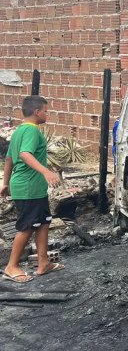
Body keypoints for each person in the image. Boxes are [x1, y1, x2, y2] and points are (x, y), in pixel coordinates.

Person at [1, 96, 63, 283]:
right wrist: (46, 171)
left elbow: (10, 159)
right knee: (27, 227)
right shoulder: (32, 131)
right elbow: (24, 154)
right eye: (46, 111)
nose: (47, 114)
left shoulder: (19, 130)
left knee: (43, 222)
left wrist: (5, 182)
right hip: (28, 187)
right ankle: (11, 266)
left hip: (33, 188)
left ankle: (43, 263)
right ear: (37, 112)